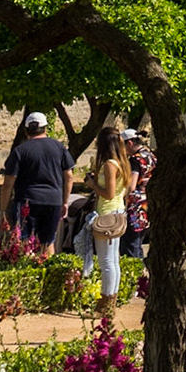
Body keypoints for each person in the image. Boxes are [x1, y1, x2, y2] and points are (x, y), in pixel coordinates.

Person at [0, 112, 73, 256]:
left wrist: (3, 210)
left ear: (26, 130)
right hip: (53, 201)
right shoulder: (59, 147)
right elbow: (69, 177)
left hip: (27, 201)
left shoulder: (20, 151)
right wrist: (65, 202)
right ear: (46, 128)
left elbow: (8, 183)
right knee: (48, 242)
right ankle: (46, 275)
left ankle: (28, 275)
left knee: (24, 242)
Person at [79, 126, 135, 315]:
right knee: (113, 260)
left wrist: (92, 185)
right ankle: (111, 299)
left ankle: (106, 302)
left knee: (106, 261)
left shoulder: (110, 164)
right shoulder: (122, 162)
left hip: (107, 214)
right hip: (117, 211)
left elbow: (108, 194)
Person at [120, 129, 155, 260]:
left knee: (130, 244)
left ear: (129, 143)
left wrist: (122, 197)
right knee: (139, 241)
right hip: (148, 202)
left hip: (136, 205)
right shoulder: (150, 156)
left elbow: (131, 185)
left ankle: (134, 274)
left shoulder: (135, 160)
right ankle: (142, 276)